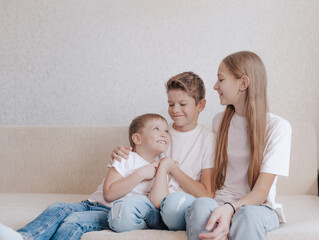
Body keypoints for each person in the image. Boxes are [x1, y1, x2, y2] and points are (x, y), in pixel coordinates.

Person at [0, 113, 170, 240]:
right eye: (157, 129)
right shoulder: (124, 157)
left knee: (75, 221)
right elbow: (109, 193)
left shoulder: (161, 168)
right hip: (90, 204)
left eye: (166, 131)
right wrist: (140, 174)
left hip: (112, 214)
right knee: (58, 207)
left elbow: (158, 203)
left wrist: (160, 170)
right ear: (137, 139)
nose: (164, 134)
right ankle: (24, 237)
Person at [185, 51, 292, 240]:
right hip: (220, 202)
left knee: (247, 215)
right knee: (200, 206)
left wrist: (230, 209)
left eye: (221, 79)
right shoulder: (219, 121)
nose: (215, 86)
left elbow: (261, 192)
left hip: (257, 208)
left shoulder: (278, 128)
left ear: (243, 83)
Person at [108, 72, 215, 232]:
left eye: (183, 104)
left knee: (172, 204)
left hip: (178, 204)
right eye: (171, 104)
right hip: (149, 202)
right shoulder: (160, 133)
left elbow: (206, 194)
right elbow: (135, 156)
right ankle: (148, 223)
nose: (175, 110)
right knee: (122, 212)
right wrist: (121, 152)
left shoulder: (208, 140)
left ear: (201, 105)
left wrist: (173, 169)